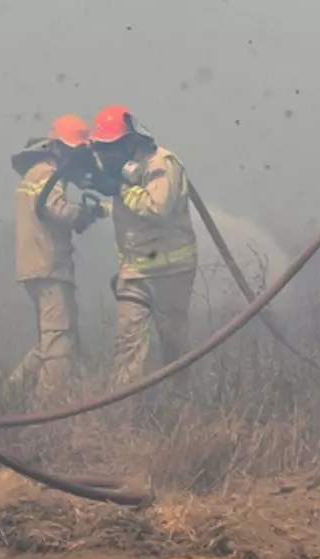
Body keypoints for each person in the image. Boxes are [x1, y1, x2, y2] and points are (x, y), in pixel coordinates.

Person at [88, 105, 197, 386]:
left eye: (111, 147)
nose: (107, 155)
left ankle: (182, 407)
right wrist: (100, 205)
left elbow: (157, 208)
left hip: (170, 274)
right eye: (102, 148)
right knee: (129, 346)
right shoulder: (124, 175)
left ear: (131, 141)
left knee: (174, 347)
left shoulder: (161, 163)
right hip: (134, 274)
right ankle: (126, 416)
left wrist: (122, 188)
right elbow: (128, 212)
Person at [6, 115, 106, 401]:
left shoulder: (36, 172)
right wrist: (84, 214)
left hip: (38, 267)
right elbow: (53, 208)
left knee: (52, 338)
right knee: (59, 343)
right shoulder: (48, 174)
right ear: (63, 148)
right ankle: (47, 411)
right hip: (49, 266)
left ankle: (10, 394)